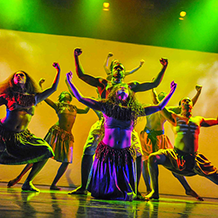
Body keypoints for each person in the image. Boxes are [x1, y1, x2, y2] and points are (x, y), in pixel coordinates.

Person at [69, 48, 168, 197]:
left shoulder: (129, 87)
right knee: (88, 150)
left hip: (126, 124)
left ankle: (134, 189)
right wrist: (76, 57)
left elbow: (153, 84)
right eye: (116, 66)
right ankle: (84, 187)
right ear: (111, 70)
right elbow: (82, 76)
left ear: (124, 72)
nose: (119, 68)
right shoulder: (103, 83)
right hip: (104, 121)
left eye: (121, 67)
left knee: (139, 154)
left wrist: (164, 68)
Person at [7, 80, 90, 190]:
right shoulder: (58, 106)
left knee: (66, 161)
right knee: (42, 155)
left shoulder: (74, 108)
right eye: (63, 94)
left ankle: (53, 184)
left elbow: (85, 110)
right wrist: (41, 87)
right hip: (56, 132)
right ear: (60, 98)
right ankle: (22, 179)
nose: (65, 94)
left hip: (67, 136)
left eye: (67, 94)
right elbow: (44, 98)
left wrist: (89, 100)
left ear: (70, 98)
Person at [0, 63, 60, 192]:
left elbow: (53, 89)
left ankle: (28, 182)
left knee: (46, 151)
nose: (19, 76)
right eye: (16, 75)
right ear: (13, 80)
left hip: (22, 136)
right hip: (4, 133)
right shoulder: (7, 96)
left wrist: (58, 71)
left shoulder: (34, 98)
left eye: (22, 74)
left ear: (26, 80)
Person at [145, 95, 218, 200]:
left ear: (192, 105)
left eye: (189, 101)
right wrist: (154, 90)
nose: (187, 102)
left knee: (215, 177)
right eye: (184, 101)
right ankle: (154, 192)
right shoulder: (175, 117)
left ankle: (187, 189)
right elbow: (159, 106)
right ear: (181, 106)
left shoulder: (199, 120)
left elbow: (216, 121)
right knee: (153, 158)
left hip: (194, 158)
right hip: (176, 155)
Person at [140, 85, 203, 200]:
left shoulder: (167, 110)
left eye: (165, 97)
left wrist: (198, 93)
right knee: (145, 162)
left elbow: (188, 106)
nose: (163, 98)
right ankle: (149, 189)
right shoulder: (150, 108)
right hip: (148, 136)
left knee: (174, 163)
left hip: (160, 137)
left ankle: (187, 189)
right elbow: (154, 99)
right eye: (161, 97)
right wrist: (152, 87)